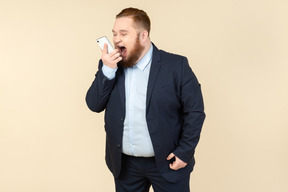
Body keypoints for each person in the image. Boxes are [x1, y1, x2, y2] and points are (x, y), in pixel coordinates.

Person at [86, 7, 205, 192]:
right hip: (125, 166)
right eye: (115, 33)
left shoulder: (176, 66)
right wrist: (108, 70)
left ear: (143, 36)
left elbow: (195, 112)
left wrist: (185, 152)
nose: (116, 39)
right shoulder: (110, 65)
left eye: (123, 34)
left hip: (167, 163)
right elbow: (94, 104)